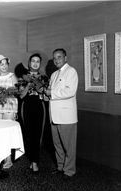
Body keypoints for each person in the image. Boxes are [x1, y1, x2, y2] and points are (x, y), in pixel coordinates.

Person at [45, 48, 78, 179]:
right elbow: (50, 93)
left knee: (68, 146)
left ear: (66, 58)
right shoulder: (53, 75)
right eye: (55, 58)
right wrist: (46, 95)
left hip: (66, 117)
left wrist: (51, 94)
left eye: (59, 57)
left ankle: (69, 170)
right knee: (57, 144)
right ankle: (60, 167)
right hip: (54, 115)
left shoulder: (71, 72)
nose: (57, 60)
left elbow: (70, 92)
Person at [19, 53, 47, 174]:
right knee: (29, 135)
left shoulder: (44, 77)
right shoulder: (22, 77)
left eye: (37, 61)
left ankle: (35, 162)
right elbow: (21, 95)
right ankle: (32, 160)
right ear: (29, 63)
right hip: (26, 106)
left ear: (40, 64)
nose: (35, 63)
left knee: (38, 134)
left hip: (39, 105)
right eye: (33, 61)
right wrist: (28, 85)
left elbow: (43, 92)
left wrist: (36, 83)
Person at [0, 54, 18, 169]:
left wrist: (7, 93)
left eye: (6, 64)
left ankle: (8, 160)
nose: (4, 66)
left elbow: (17, 91)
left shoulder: (12, 76)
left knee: (7, 132)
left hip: (9, 106)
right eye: (1, 64)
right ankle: (0, 157)